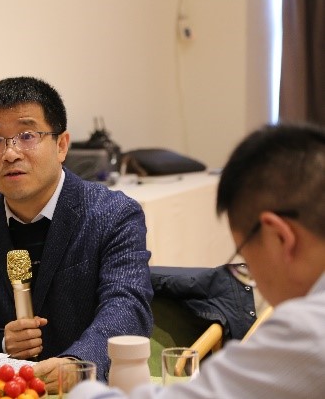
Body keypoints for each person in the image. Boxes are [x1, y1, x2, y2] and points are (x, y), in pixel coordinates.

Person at [68, 122, 325, 398]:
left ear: (280, 238)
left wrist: (80, 387)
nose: (256, 281)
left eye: (247, 263)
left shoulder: (307, 330)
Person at [0, 76, 153, 384]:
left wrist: (79, 364)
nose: (10, 153)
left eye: (27, 136)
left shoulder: (113, 214)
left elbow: (127, 307)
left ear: (61, 145)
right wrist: (2, 341)